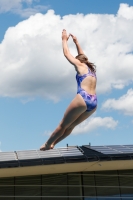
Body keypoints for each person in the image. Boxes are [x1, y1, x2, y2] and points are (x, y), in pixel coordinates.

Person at [40, 29, 97, 151]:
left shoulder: (80, 65)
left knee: (62, 125)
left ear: (79, 61)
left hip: (83, 98)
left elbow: (66, 53)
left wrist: (64, 40)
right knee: (70, 127)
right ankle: (53, 144)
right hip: (94, 102)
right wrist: (77, 42)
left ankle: (47, 143)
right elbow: (83, 56)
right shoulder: (91, 69)